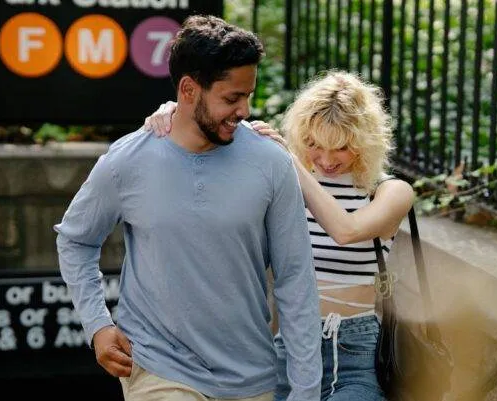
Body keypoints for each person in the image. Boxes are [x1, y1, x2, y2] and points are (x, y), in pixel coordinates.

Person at [54, 15, 323, 401]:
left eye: (248, 96)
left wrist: (306, 390)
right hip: (157, 367)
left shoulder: (271, 163)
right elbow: (76, 241)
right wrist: (98, 324)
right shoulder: (128, 161)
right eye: (232, 98)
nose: (244, 110)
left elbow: (295, 279)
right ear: (188, 89)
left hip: (250, 377)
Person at [143, 70, 416, 401]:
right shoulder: (286, 183)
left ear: (364, 142)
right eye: (314, 144)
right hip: (290, 350)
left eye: (341, 147)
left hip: (357, 354)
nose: (326, 160)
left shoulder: (389, 190)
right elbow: (208, 151)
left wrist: (291, 161)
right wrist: (174, 111)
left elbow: (347, 230)